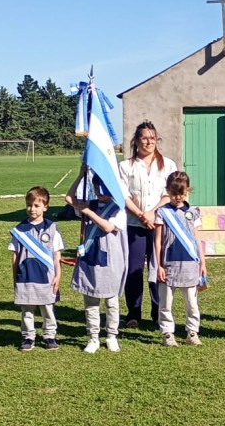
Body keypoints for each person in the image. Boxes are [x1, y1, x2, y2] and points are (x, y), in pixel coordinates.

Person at [118, 121, 177, 328]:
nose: (149, 141)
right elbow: (123, 195)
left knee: (158, 268)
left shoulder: (168, 165)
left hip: (160, 224)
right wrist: (141, 214)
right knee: (133, 270)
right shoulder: (125, 166)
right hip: (134, 224)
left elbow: (170, 194)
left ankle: (158, 311)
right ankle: (133, 313)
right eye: (144, 137)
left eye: (152, 137)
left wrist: (152, 213)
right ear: (136, 140)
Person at [66, 166, 128, 353]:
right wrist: (81, 174)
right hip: (91, 256)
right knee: (91, 300)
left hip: (111, 259)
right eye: (97, 187)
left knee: (111, 301)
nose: (101, 192)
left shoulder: (119, 208)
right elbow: (69, 199)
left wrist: (88, 213)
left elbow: (108, 227)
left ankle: (111, 335)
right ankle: (93, 337)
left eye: (104, 188)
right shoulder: (89, 204)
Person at [153, 171, 207, 347]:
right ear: (168, 191)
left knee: (192, 302)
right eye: (174, 193)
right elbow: (158, 240)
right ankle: (167, 332)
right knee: (166, 302)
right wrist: (159, 265)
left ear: (187, 192)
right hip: (169, 264)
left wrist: (203, 262)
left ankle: (192, 331)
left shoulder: (193, 212)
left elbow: (197, 239)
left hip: (190, 264)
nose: (178, 197)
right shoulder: (162, 212)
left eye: (182, 194)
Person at [9, 186, 63, 352]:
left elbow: (57, 255)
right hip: (25, 276)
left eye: (36, 205)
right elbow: (15, 256)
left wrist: (58, 276)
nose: (32, 209)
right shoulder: (20, 230)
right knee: (27, 309)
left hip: (46, 277)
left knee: (47, 308)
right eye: (29, 205)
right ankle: (28, 336)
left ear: (45, 207)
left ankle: (49, 335)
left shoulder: (52, 229)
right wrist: (15, 276)